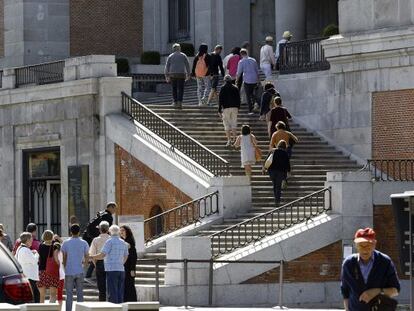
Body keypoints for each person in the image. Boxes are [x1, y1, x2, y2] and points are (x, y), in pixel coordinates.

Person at [341, 227, 400, 311]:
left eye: (368, 245)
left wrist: (377, 291)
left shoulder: (385, 262)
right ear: (356, 245)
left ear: (374, 244)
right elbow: (345, 291)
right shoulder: (348, 263)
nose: (365, 249)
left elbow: (395, 290)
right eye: (361, 245)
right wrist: (347, 309)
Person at [90, 225, 128, 304]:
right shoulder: (123, 242)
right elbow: (126, 255)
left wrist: (91, 256)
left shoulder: (109, 241)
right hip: (121, 269)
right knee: (120, 292)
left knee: (112, 292)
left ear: (110, 231)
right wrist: (121, 263)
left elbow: (102, 255)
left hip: (111, 269)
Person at [83, 202, 116, 279]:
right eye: (114, 209)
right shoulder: (108, 216)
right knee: (100, 254)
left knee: (96, 254)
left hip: (89, 235)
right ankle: (90, 274)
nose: (115, 211)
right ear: (111, 207)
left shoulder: (101, 213)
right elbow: (108, 229)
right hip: (98, 236)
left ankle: (88, 274)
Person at [61, 224, 90, 311]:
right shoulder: (84, 243)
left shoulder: (65, 243)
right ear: (79, 232)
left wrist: (65, 267)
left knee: (69, 294)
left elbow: (64, 257)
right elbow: (87, 256)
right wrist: (84, 266)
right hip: (79, 270)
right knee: (80, 293)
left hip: (69, 270)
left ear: (70, 232)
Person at [15, 232, 40, 303]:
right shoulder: (25, 250)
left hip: (27, 277)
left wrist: (31, 252)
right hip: (29, 277)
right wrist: (36, 254)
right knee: (34, 299)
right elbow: (34, 261)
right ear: (28, 240)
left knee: (35, 296)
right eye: (31, 239)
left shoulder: (20, 248)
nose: (32, 240)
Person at [263, 140, 291, 204]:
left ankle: (276, 199)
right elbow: (287, 164)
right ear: (285, 146)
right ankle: (277, 201)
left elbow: (267, 160)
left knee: (275, 185)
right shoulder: (285, 153)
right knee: (278, 186)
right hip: (280, 172)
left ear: (278, 144)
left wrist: (264, 168)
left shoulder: (273, 151)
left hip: (271, 171)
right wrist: (288, 172)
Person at [164, 43, 191, 109]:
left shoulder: (170, 56)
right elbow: (187, 65)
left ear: (173, 49)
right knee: (181, 89)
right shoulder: (183, 55)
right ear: (179, 48)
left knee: (174, 89)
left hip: (173, 74)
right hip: (181, 74)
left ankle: (175, 102)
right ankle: (180, 102)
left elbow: (167, 66)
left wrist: (166, 75)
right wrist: (188, 74)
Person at [89, 221, 110, 301]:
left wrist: (95, 264)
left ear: (100, 230)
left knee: (101, 288)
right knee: (110, 285)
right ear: (108, 229)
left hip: (99, 263)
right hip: (110, 263)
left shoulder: (95, 240)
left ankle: (102, 304)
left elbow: (92, 254)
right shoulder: (111, 239)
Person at [219, 75, 241, 146]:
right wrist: (238, 107)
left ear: (224, 80)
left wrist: (219, 109)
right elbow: (238, 99)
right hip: (234, 107)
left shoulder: (223, 88)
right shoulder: (235, 88)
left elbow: (220, 99)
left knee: (226, 125)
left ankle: (229, 140)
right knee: (234, 124)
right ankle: (235, 140)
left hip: (226, 108)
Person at [38, 230, 59, 303]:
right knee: (53, 294)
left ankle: (41, 309)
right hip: (52, 271)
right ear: (52, 236)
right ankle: (51, 308)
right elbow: (56, 259)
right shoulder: (55, 246)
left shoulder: (40, 246)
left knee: (42, 295)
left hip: (42, 271)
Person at [236, 49, 260, 115]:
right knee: (253, 94)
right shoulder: (253, 60)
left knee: (248, 95)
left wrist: (236, 80)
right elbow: (257, 71)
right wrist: (258, 80)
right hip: (254, 79)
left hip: (247, 80)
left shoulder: (241, 61)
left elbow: (239, 72)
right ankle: (257, 103)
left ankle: (250, 110)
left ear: (241, 54)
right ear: (247, 53)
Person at [120, 225, 138, 302]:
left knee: (130, 285)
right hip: (122, 267)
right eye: (120, 231)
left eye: (123, 230)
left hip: (129, 267)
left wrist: (132, 269)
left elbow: (133, 257)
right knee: (124, 285)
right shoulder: (121, 241)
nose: (121, 232)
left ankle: (132, 301)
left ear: (127, 231)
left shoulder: (130, 241)